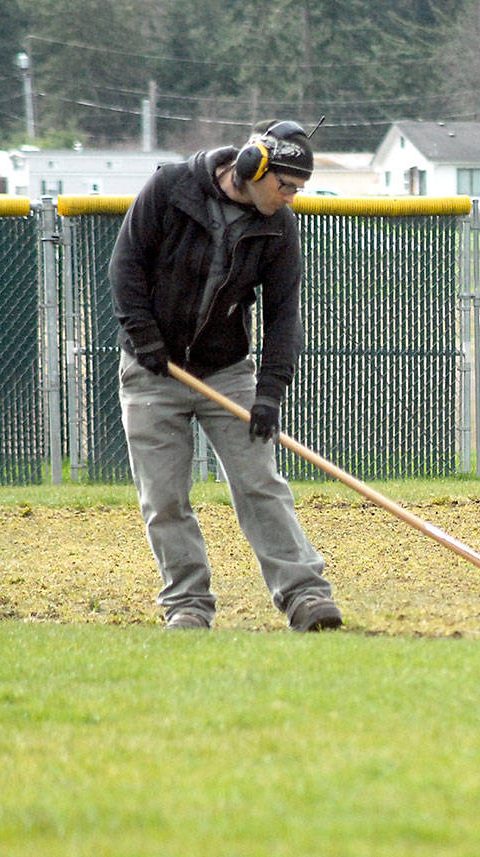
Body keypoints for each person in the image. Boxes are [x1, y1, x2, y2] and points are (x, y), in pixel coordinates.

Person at [110, 119, 341, 632]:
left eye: (298, 190)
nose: (290, 198)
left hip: (227, 371)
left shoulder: (278, 226)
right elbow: (126, 265)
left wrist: (269, 395)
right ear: (253, 167)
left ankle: (304, 595)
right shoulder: (169, 188)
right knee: (164, 497)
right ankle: (187, 604)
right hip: (151, 369)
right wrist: (144, 337)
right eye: (286, 186)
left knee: (260, 483)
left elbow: (284, 315)